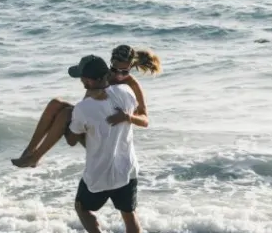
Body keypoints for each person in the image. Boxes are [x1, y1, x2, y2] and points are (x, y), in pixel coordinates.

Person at [63, 54, 148, 233]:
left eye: (82, 78)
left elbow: (72, 140)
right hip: (125, 169)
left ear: (88, 81)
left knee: (82, 207)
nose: (81, 82)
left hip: (98, 174)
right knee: (129, 216)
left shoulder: (82, 108)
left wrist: (65, 123)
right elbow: (141, 116)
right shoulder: (127, 93)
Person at [11, 45, 161, 168]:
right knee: (55, 104)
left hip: (107, 139)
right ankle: (29, 151)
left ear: (131, 67)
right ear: (110, 64)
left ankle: (36, 157)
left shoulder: (132, 85)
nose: (119, 76)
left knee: (66, 113)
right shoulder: (103, 75)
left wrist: (128, 117)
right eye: (115, 70)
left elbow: (145, 120)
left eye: (124, 72)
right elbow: (87, 103)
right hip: (93, 126)